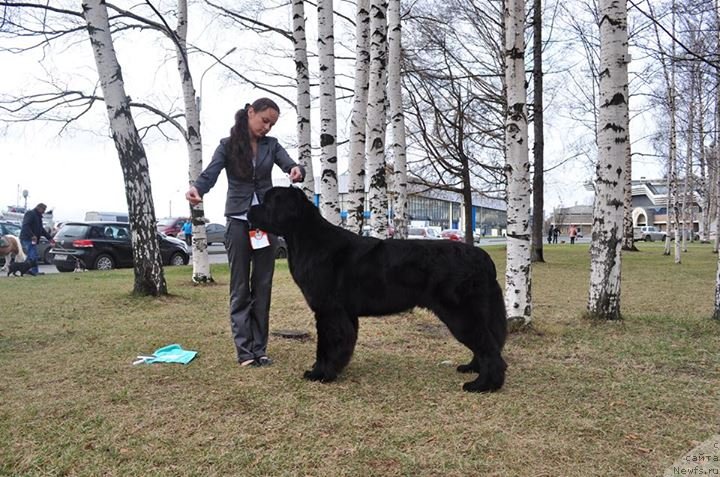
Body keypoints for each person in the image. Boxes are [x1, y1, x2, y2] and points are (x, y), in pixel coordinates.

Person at [186, 98, 305, 368]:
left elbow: (290, 164)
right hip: (238, 223)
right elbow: (211, 174)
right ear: (251, 112)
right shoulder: (227, 145)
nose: (267, 127)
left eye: (272, 124)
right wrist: (197, 189)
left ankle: (260, 349)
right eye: (265, 120)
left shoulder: (271, 146)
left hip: (266, 224)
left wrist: (296, 170)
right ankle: (245, 352)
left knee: (262, 286)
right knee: (240, 288)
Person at [20, 202, 52, 276]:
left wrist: (50, 238)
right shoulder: (30, 214)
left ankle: (25, 270)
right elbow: (25, 225)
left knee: (30, 256)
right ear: (39, 208)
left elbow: (41, 229)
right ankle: (34, 271)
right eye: (43, 209)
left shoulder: (39, 216)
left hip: (33, 239)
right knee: (33, 255)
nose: (44, 211)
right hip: (27, 238)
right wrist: (32, 235)